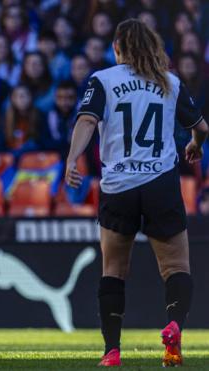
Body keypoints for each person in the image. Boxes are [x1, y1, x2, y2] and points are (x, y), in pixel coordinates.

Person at [65, 19, 208, 367]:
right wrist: (195, 144)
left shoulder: (103, 80)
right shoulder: (169, 82)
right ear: (152, 48)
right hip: (161, 183)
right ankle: (174, 328)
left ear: (117, 49)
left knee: (113, 270)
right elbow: (201, 127)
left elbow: (86, 121)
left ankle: (112, 351)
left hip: (118, 187)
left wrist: (72, 159)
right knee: (176, 267)